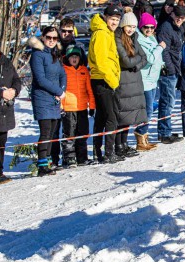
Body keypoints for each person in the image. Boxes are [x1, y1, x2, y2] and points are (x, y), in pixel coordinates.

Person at [51, 17, 89, 168]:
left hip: (72, 93)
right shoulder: (54, 45)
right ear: (60, 30)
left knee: (73, 128)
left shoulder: (77, 46)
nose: (66, 33)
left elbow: (83, 65)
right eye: (64, 31)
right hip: (55, 89)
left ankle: (74, 157)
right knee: (55, 128)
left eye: (69, 31)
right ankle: (53, 159)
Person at [28, 27, 67, 176]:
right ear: (43, 37)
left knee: (52, 132)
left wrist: (62, 90)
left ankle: (49, 161)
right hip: (42, 98)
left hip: (55, 99)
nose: (51, 40)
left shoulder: (55, 54)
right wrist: (58, 91)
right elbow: (40, 79)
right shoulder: (37, 55)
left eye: (54, 38)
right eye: (48, 37)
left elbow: (63, 74)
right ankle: (42, 165)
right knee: (45, 132)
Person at [89, 5, 123, 164]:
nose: (115, 22)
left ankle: (98, 151)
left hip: (105, 79)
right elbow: (102, 62)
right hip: (104, 80)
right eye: (112, 19)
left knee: (102, 117)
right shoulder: (102, 33)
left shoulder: (107, 32)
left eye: (117, 20)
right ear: (105, 17)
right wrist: (113, 81)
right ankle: (108, 152)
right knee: (111, 117)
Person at [114, 9, 148, 158]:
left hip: (134, 81)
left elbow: (145, 57)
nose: (131, 30)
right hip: (123, 81)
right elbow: (125, 61)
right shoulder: (117, 39)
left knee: (129, 117)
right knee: (121, 116)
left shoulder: (134, 38)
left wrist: (136, 65)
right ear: (123, 26)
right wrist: (135, 63)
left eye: (134, 27)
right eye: (129, 26)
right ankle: (118, 145)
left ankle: (125, 143)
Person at [156, 5, 185, 144]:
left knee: (170, 101)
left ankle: (165, 130)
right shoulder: (166, 27)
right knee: (167, 102)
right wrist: (171, 69)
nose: (180, 20)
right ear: (172, 14)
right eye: (178, 17)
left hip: (175, 67)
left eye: (182, 17)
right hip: (169, 70)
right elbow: (165, 51)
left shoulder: (179, 27)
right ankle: (164, 133)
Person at [61, 46, 95, 167]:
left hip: (81, 107)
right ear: (68, 58)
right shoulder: (63, 70)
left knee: (83, 133)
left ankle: (82, 157)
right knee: (69, 133)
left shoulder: (84, 70)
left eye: (76, 56)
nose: (74, 59)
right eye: (72, 57)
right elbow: (60, 89)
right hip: (68, 107)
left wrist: (92, 106)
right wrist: (60, 106)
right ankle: (69, 157)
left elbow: (89, 89)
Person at [136, 12, 165, 151]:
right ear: (141, 27)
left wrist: (163, 64)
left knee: (150, 110)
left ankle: (144, 137)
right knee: (147, 111)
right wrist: (160, 47)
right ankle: (140, 137)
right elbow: (150, 59)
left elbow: (157, 59)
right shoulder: (140, 40)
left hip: (153, 80)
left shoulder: (152, 38)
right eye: (146, 27)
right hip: (145, 80)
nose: (149, 30)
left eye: (152, 27)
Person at [0, 51, 21, 183]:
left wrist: (14, 91)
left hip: (4, 111)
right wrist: (1, 92)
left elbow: (16, 80)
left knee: (1, 141)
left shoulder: (6, 62)